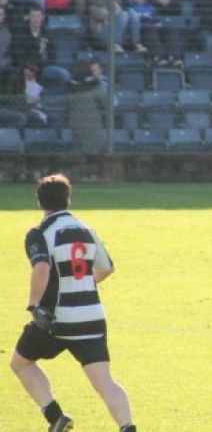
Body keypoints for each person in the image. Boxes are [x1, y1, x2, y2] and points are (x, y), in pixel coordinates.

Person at [10, 174, 137, 432]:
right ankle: (128, 427)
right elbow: (107, 268)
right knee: (104, 381)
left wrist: (34, 305)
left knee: (21, 363)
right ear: (68, 199)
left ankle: (56, 417)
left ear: (40, 202)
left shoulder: (39, 233)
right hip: (91, 316)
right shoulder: (86, 229)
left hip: (57, 318)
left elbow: (42, 268)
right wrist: (81, 286)